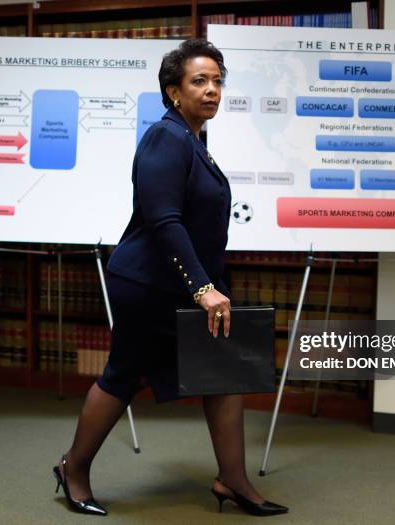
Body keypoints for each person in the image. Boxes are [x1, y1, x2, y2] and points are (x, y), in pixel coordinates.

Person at [53, 39, 288, 517]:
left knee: (224, 374)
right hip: (147, 286)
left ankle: (233, 480)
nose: (212, 90)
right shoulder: (166, 138)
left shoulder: (194, 141)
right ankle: (73, 468)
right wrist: (204, 288)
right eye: (199, 81)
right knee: (123, 376)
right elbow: (164, 221)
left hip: (184, 286)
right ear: (173, 92)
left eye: (218, 81)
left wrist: (207, 286)